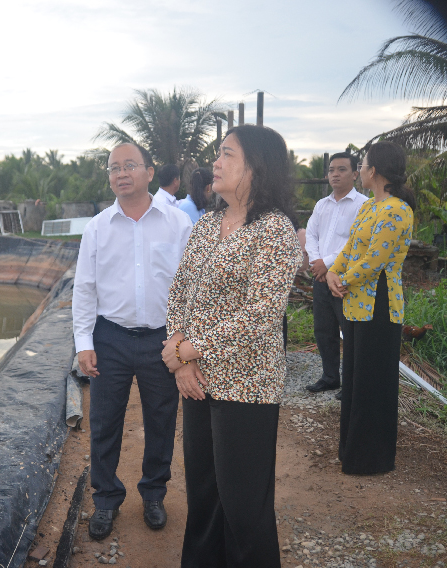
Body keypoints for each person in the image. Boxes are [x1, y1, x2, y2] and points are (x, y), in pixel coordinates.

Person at [163, 125, 302, 567]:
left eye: (226, 154)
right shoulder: (206, 224)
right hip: (198, 380)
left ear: (256, 167)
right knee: (203, 496)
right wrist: (179, 354)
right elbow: (180, 291)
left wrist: (190, 350)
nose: (215, 163)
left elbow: (261, 313)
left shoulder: (275, 231)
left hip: (247, 385)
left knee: (243, 505)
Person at [72, 143, 192, 540]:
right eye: (113, 168)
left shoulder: (177, 224)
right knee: (105, 421)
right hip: (111, 339)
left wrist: (184, 341)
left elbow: (191, 287)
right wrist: (84, 342)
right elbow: (85, 289)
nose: (121, 173)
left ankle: (154, 493)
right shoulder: (97, 228)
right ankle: (106, 499)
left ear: (149, 172)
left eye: (129, 166)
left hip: (163, 339)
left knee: (161, 418)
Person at [326, 141, 415, 475]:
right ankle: (351, 451)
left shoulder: (396, 210)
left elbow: (375, 259)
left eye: (362, 164)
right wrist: (335, 272)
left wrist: (342, 279)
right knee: (355, 380)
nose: (360, 169)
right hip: (355, 304)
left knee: (373, 382)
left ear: (374, 170)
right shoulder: (368, 208)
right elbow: (351, 248)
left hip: (380, 305)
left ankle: (371, 459)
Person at [304, 153, 368, 395]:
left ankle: (351, 384)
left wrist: (326, 263)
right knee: (323, 329)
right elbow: (311, 235)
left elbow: (355, 243)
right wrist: (316, 261)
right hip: (321, 278)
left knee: (349, 331)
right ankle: (330, 377)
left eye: (342, 169)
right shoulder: (322, 205)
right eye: (331, 170)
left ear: (354, 174)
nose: (335, 174)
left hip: (345, 280)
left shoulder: (363, 205)